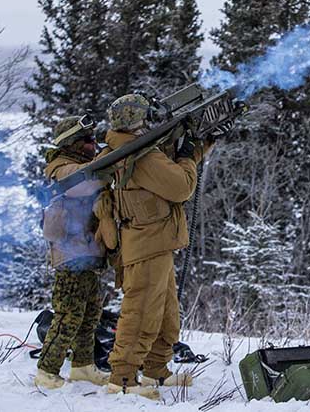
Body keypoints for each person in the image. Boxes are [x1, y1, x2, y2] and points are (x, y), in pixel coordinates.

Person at [97, 93, 212, 398]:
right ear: (141, 120)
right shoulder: (141, 155)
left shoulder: (131, 148)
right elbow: (180, 186)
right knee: (142, 312)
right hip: (147, 243)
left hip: (155, 241)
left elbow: (171, 170)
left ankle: (155, 371)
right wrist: (188, 156)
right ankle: (122, 378)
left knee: (164, 313)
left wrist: (199, 144)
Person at [34, 115, 113, 390]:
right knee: (68, 316)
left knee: (90, 314)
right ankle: (47, 370)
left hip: (87, 253)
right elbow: (85, 184)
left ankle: (82, 366)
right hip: (70, 256)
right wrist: (112, 157)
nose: (94, 144)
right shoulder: (60, 167)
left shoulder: (80, 165)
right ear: (73, 144)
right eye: (88, 140)